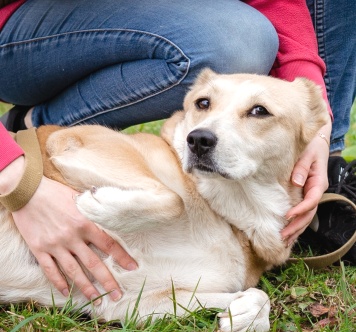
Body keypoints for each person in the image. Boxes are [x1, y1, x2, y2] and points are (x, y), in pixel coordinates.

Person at [0, 0, 353, 303]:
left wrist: (319, 128)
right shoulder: (148, 163)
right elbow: (65, 150)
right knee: (237, 37)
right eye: (203, 105)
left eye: (257, 112)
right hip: (17, 25)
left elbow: (120, 302)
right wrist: (17, 177)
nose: (204, 133)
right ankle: (28, 130)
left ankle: (327, 186)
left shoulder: (234, 271)